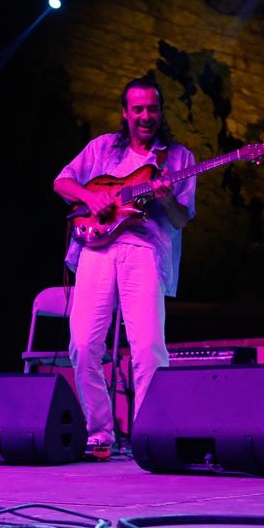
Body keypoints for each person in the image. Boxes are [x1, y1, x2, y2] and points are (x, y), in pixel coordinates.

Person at [54, 77, 196, 460]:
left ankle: (149, 435)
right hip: (96, 249)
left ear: (161, 111)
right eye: (138, 109)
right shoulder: (102, 148)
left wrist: (166, 201)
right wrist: (91, 196)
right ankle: (99, 433)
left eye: (152, 108)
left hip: (145, 250)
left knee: (148, 349)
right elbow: (62, 182)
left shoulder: (179, 159)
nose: (145, 116)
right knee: (83, 344)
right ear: (125, 113)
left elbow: (181, 220)